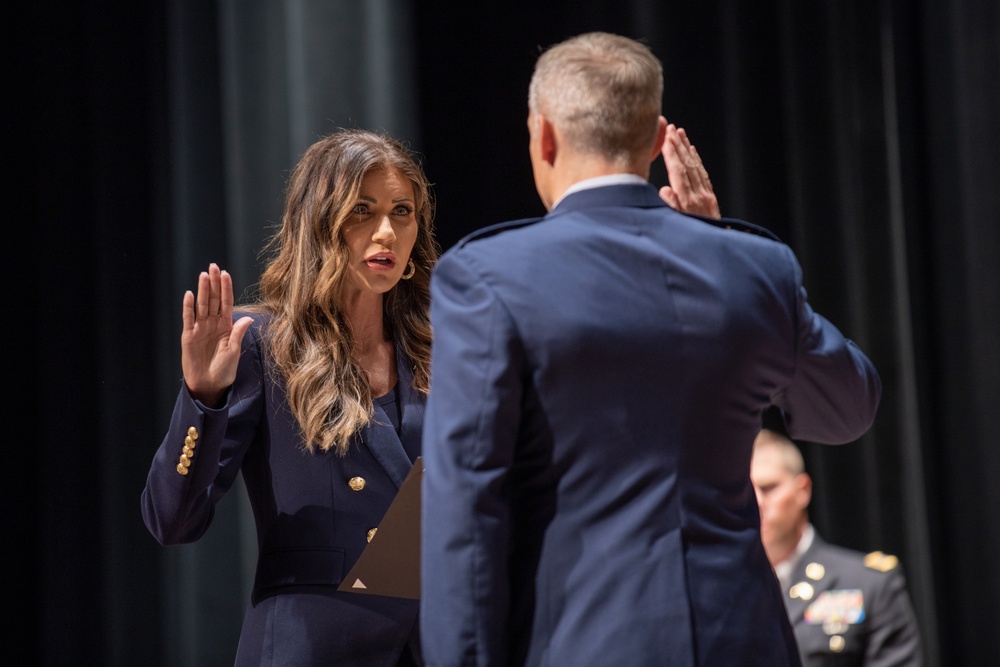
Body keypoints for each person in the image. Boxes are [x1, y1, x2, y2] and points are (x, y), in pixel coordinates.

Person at [420, 31, 882, 667]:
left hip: (583, 643)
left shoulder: (488, 275)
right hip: (744, 644)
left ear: (544, 136)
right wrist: (722, 251)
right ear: (656, 134)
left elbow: (467, 507)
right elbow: (847, 408)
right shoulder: (754, 268)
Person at [141, 129, 438, 666]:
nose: (387, 232)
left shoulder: (442, 353)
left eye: (402, 211)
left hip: (433, 645)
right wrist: (202, 397)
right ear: (319, 223)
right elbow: (173, 522)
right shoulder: (261, 344)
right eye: (362, 211)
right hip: (313, 645)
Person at [751, 428, 922, 666]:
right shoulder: (722, 587)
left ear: (803, 490)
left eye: (769, 487)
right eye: (746, 491)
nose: (757, 502)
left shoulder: (868, 584)